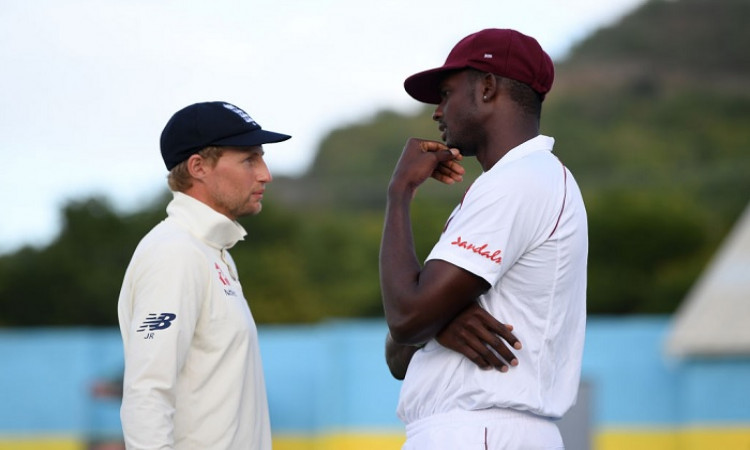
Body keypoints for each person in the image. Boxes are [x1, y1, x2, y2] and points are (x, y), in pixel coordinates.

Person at [380, 29, 588, 449]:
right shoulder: (514, 182)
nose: (437, 112)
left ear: (488, 87)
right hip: (479, 429)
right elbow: (399, 351)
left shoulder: (522, 180)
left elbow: (405, 318)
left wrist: (400, 190)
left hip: (482, 429)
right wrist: (439, 322)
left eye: (446, 93)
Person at [117, 101, 291, 450]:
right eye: (249, 159)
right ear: (198, 167)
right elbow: (147, 392)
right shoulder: (175, 251)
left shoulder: (210, 251)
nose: (265, 174)